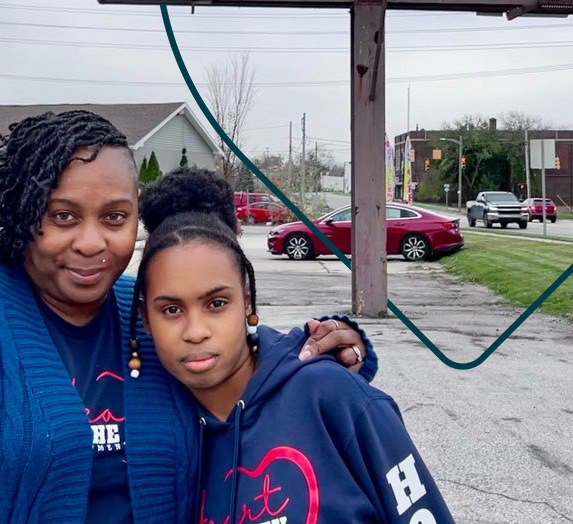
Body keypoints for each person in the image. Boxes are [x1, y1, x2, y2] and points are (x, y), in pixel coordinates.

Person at [0, 110, 375, 524]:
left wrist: (337, 341)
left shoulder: (148, 307)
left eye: (115, 218)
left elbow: (245, 353)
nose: (93, 243)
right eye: (63, 217)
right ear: (23, 210)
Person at [134, 168, 457, 524]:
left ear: (247, 302)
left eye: (216, 304)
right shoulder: (161, 435)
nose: (195, 332)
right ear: (145, 319)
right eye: (171, 310)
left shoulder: (331, 396)